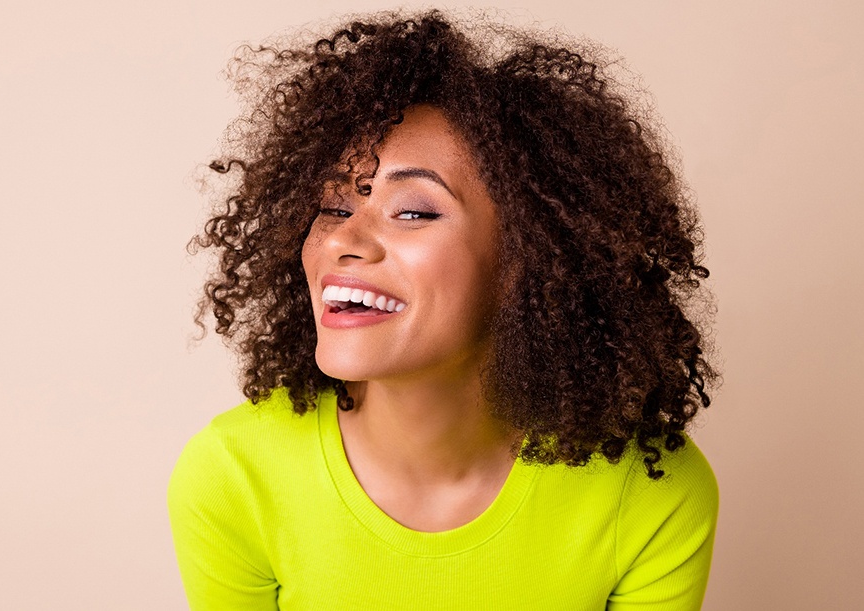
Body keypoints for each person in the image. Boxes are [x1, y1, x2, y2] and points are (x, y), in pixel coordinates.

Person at [169, 10, 719, 610]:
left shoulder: (651, 490)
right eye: (331, 207)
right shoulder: (232, 477)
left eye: (413, 211)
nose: (340, 240)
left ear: (529, 259)